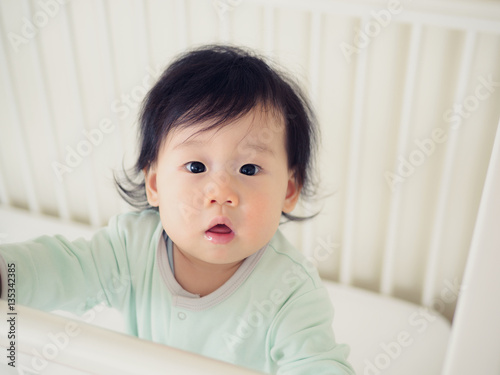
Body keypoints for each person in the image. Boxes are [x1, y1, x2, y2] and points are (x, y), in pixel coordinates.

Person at [0, 45, 354, 374]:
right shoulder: (130, 250)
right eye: (196, 167)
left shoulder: (291, 290)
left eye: (249, 169)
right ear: (154, 184)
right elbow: (59, 270)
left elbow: (317, 362)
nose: (222, 194)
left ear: (289, 191)